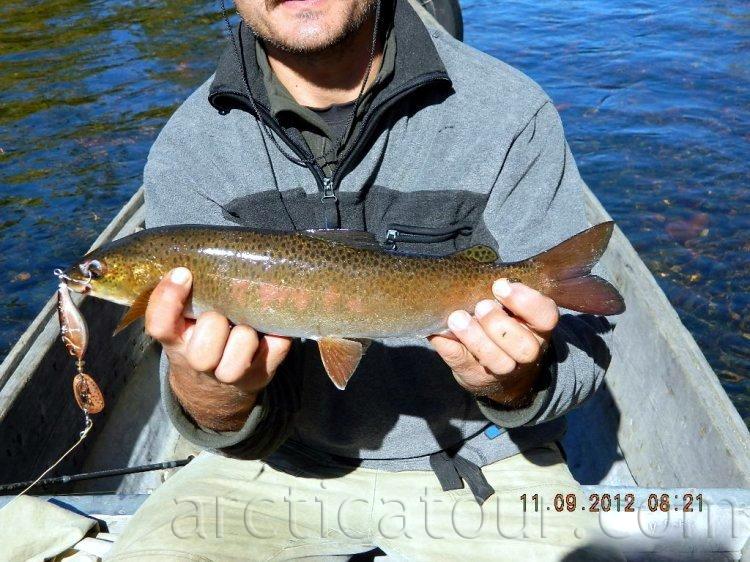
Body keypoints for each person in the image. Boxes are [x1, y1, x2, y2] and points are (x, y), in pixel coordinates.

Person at [107, 0, 617, 560]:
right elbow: (211, 418)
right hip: (272, 467)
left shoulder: (511, 113)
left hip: (486, 462)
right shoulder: (188, 148)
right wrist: (211, 394)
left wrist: (516, 380)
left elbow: (584, 350)